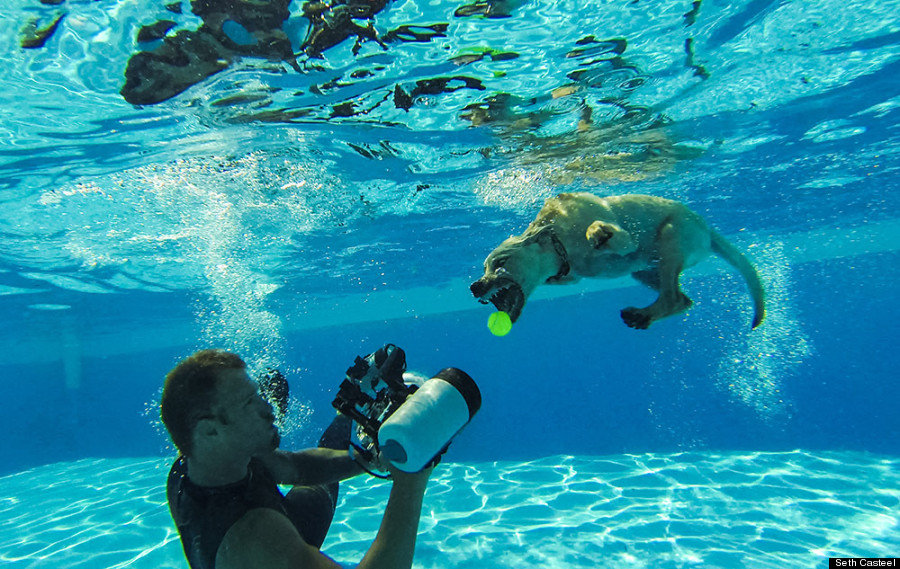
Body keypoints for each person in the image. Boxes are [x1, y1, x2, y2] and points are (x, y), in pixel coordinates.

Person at [160, 348, 432, 569]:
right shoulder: (258, 540)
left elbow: (295, 466)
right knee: (316, 497)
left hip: (276, 521)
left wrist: (369, 461)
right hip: (276, 546)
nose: (268, 408)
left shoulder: (204, 457)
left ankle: (347, 414)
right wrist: (410, 481)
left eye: (259, 396)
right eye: (249, 402)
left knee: (311, 481)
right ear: (210, 430)